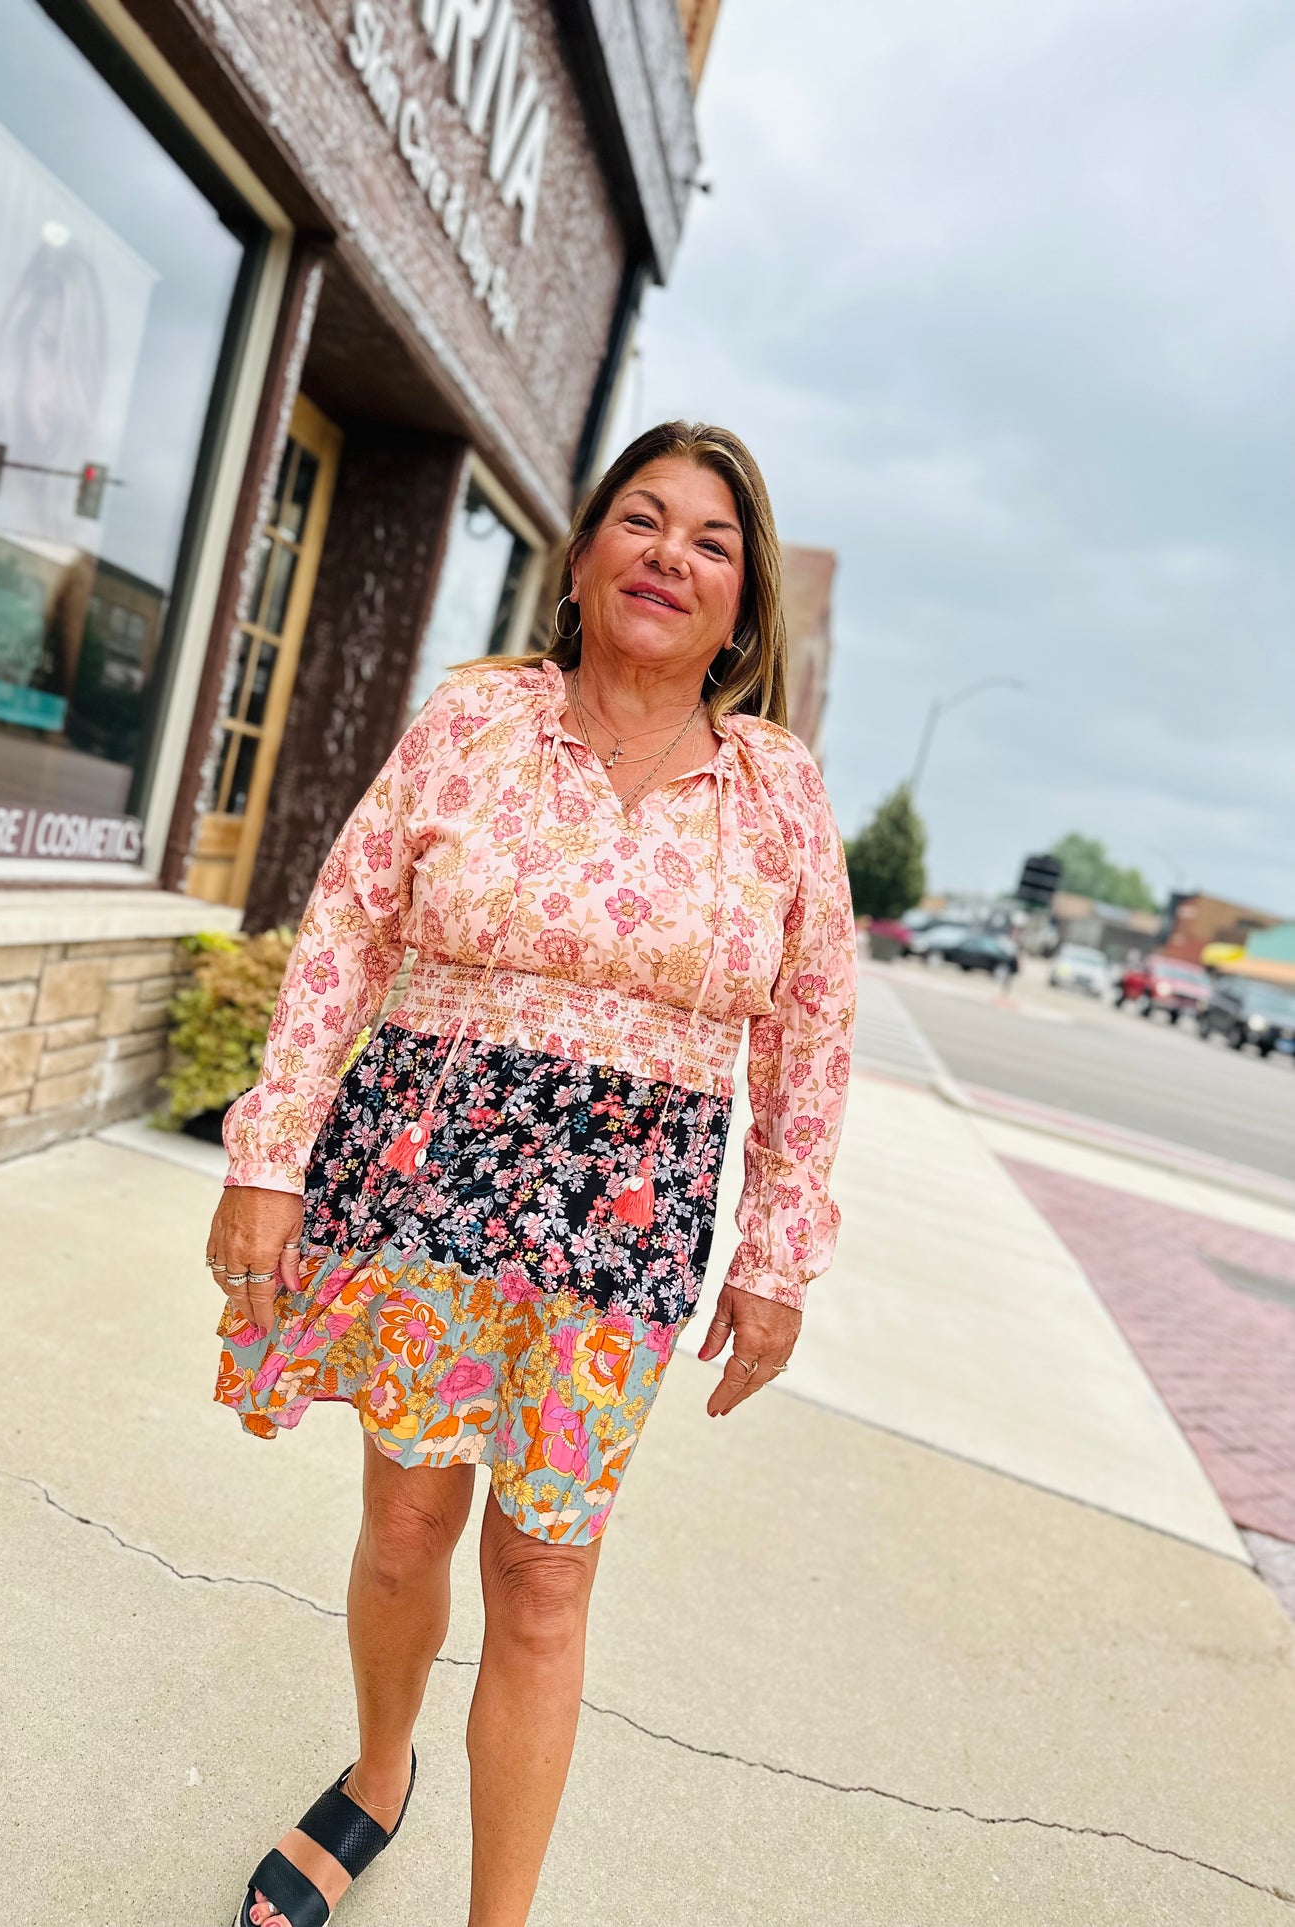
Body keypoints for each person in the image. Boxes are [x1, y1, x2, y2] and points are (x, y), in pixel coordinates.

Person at [205, 421, 858, 1927]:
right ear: (580, 558)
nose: (667, 556)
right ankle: (378, 1776)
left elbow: (813, 1034)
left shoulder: (774, 788)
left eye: (709, 540)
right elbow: (346, 929)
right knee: (407, 1524)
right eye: (641, 518)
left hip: (627, 1214)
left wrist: (775, 1257)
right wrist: (272, 1154)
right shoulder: (476, 720)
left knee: (546, 1572)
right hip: (429, 1162)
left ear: (740, 605)